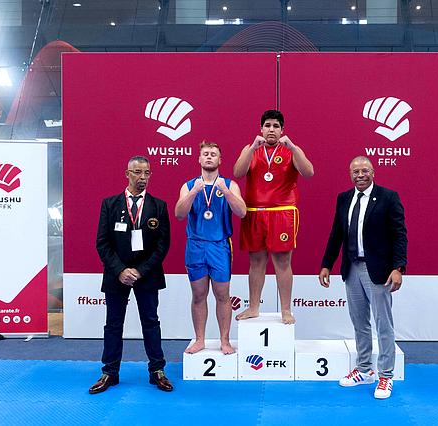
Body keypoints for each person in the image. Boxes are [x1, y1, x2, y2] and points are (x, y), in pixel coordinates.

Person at [319, 156, 407, 399]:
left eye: (364, 171)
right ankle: (364, 369)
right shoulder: (344, 198)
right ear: (350, 174)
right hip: (352, 268)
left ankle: (386, 375)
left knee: (383, 324)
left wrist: (398, 267)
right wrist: (326, 264)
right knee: (360, 323)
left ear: (373, 172)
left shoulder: (388, 197)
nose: (360, 175)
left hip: (378, 270)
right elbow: (336, 234)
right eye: (355, 171)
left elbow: (400, 235)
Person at [89, 156, 173, 394]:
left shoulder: (159, 206)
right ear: (127, 174)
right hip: (117, 274)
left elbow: (162, 245)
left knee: (151, 322)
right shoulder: (110, 204)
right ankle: (109, 372)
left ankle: (157, 371)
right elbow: (102, 243)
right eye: (137, 172)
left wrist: (140, 270)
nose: (142, 177)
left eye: (146, 173)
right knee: (113, 324)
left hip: (147, 274)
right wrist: (120, 270)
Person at [233, 109, 314, 325]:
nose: (271, 130)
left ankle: (286, 309)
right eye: (267, 125)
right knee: (256, 261)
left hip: (282, 212)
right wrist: (252, 148)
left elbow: (308, 172)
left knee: (282, 262)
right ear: (261, 129)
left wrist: (293, 148)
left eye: (276, 126)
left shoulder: (291, 150)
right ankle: (253, 307)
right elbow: (238, 173)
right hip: (255, 212)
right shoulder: (251, 149)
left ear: (282, 130)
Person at [174, 142, 246, 355]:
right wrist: (194, 192)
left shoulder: (229, 185)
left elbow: (242, 212)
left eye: (213, 154)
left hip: (219, 246)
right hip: (196, 245)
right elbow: (179, 214)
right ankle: (200, 340)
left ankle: (225, 340)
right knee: (198, 295)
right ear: (199, 159)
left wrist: (226, 192)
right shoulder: (189, 186)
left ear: (220, 160)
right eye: (205, 154)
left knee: (222, 295)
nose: (209, 157)